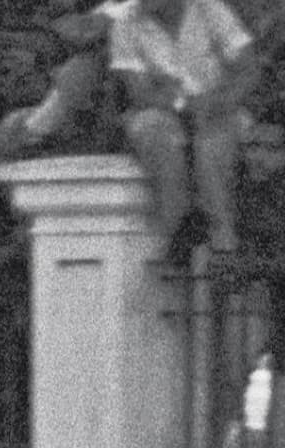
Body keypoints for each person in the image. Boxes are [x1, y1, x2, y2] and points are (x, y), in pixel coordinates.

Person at [104, 0, 263, 256]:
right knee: (152, 129)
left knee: (211, 142)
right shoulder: (126, 21)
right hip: (163, 111)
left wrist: (217, 102)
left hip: (217, 106)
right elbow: (140, 92)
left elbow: (247, 71)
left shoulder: (209, 9)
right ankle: (177, 232)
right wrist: (183, 105)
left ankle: (223, 245)